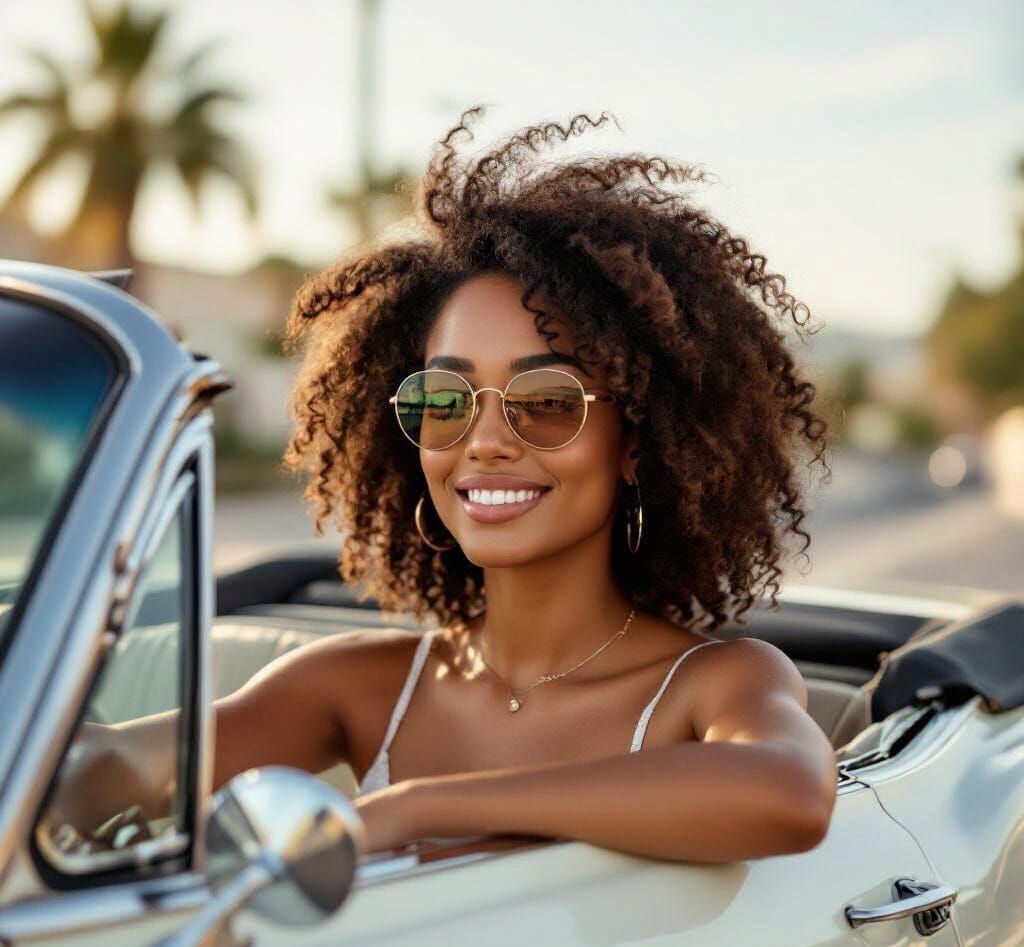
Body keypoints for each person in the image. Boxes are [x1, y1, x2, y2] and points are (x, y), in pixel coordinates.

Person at [52, 106, 838, 865]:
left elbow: (789, 794)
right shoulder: (355, 687)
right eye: (443, 401)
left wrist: (422, 807)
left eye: (547, 402)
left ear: (634, 441)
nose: (485, 441)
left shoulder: (719, 681)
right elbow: (102, 770)